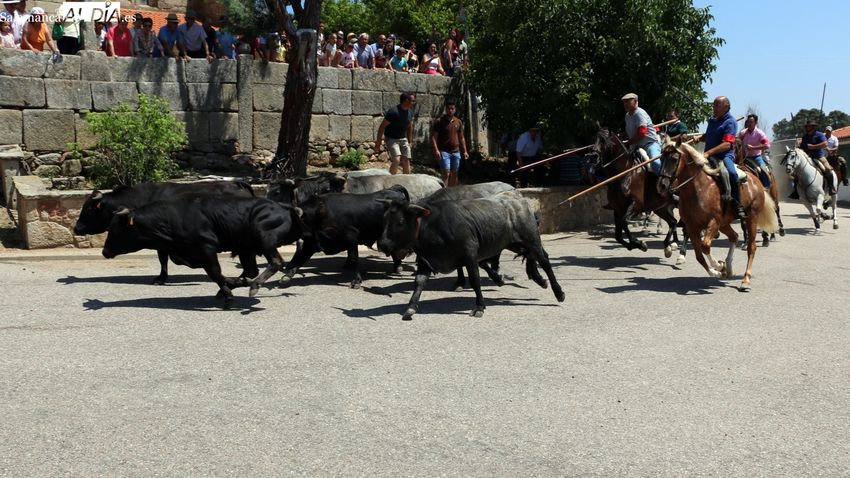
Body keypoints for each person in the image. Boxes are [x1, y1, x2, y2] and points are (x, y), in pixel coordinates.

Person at [699, 96, 745, 220]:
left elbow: (727, 144)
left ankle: (737, 204)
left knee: (732, 174)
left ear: (726, 107)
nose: (714, 108)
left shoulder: (730, 122)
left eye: (717, 105)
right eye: (714, 105)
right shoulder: (712, 120)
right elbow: (710, 135)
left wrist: (709, 153)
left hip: (724, 156)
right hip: (708, 155)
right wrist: (700, 138)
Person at [376, 92, 416, 175]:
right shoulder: (393, 112)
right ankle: (390, 180)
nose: (414, 103)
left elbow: (409, 126)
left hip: (403, 138)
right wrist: (378, 143)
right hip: (391, 138)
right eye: (413, 101)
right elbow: (382, 127)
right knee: (397, 159)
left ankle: (407, 181)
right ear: (406, 100)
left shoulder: (410, 112)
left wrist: (410, 141)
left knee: (406, 160)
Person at [622, 93, 662, 175]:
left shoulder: (639, 113)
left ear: (636, 102)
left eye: (628, 101)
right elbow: (630, 132)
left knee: (655, 164)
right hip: (635, 147)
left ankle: (666, 186)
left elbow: (642, 133)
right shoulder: (627, 116)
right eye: (624, 102)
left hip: (649, 145)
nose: (625, 104)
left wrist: (628, 143)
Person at [431, 99, 468, 186]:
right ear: (446, 109)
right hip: (444, 151)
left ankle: (452, 192)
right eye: (448, 109)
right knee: (446, 173)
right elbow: (433, 137)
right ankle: (444, 192)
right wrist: (436, 150)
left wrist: (465, 151)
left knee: (454, 173)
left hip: (456, 152)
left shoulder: (458, 122)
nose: (450, 110)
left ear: (455, 109)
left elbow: (461, 137)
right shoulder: (439, 121)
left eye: (452, 108)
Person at [799, 120, 837, 195]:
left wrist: (812, 147)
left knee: (828, 169)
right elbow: (802, 147)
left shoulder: (819, 135)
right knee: (796, 171)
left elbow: (825, 144)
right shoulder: (805, 136)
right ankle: (796, 191)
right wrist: (799, 145)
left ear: (813, 127)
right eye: (807, 126)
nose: (807, 128)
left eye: (809, 126)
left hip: (819, 156)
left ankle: (831, 188)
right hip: (807, 157)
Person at [738, 114, 771, 189]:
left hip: (756, 157)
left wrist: (753, 148)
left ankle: (766, 187)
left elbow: (767, 145)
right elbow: (737, 141)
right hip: (743, 158)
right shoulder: (743, 133)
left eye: (751, 122)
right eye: (748, 122)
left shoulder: (760, 133)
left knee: (763, 170)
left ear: (755, 123)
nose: (749, 124)